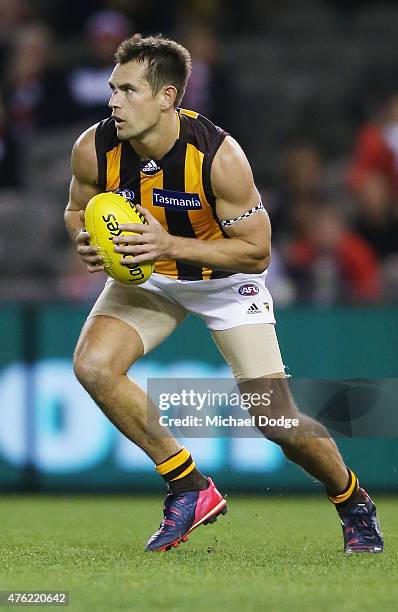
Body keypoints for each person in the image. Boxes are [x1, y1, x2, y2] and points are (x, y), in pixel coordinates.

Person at [64, 33, 383, 554]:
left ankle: (351, 500)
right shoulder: (94, 146)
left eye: (127, 90)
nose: (113, 102)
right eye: (111, 89)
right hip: (152, 277)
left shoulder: (218, 156)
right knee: (93, 366)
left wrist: (168, 241)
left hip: (226, 283)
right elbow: (77, 208)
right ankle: (189, 486)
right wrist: (86, 241)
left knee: (276, 421)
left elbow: (257, 251)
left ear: (167, 97)